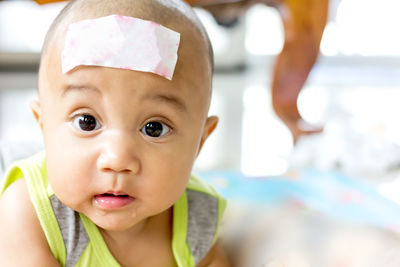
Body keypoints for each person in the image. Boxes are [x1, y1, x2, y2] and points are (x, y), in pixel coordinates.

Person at [0, 0, 229, 266]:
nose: (117, 159)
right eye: (87, 122)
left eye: (154, 128)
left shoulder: (197, 219)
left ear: (200, 141)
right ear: (43, 126)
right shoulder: (28, 213)